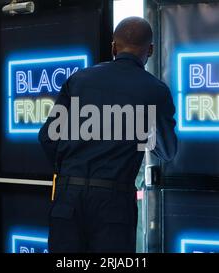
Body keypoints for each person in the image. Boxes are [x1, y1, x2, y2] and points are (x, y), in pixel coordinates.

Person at [38, 16, 177, 252]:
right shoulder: (154, 90)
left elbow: (48, 138)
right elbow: (166, 150)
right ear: (150, 50)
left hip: (68, 197)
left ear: (113, 46)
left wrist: (72, 170)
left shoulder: (78, 80)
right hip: (113, 203)